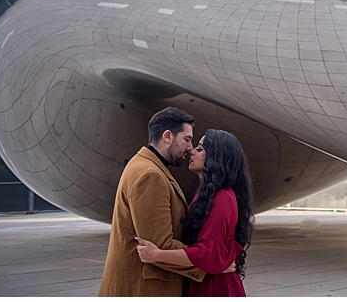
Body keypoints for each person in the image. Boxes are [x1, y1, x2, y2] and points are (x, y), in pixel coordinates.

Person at [98, 107, 205, 296]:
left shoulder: (147, 166)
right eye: (187, 139)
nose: (190, 148)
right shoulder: (150, 175)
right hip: (143, 289)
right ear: (167, 136)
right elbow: (161, 245)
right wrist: (210, 262)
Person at [136, 129, 254, 297]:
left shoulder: (222, 198)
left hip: (214, 288)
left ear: (216, 157)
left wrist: (158, 255)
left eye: (200, 148)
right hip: (205, 281)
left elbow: (209, 253)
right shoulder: (208, 195)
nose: (192, 150)